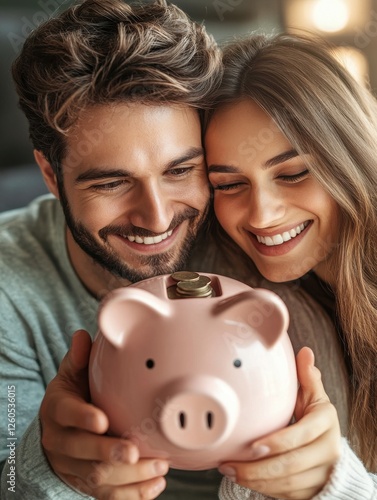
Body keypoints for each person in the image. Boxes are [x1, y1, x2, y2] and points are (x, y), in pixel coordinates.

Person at [0, 1, 351, 497]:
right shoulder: (7, 291)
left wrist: (329, 482)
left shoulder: (253, 239)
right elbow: (6, 479)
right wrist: (45, 466)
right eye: (112, 183)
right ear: (50, 175)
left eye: (180, 171)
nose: (159, 217)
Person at [205, 32, 377, 499]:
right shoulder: (247, 309)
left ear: (349, 157)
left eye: (293, 173)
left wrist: (335, 485)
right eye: (228, 185)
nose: (262, 214)